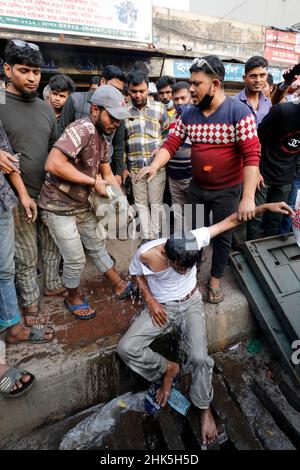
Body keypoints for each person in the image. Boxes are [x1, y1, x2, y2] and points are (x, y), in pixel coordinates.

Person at [117, 200, 293, 445]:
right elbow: (136, 274)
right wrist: (150, 300)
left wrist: (264, 208)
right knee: (126, 348)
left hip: (191, 305)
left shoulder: (193, 240)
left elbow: (231, 221)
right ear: (167, 256)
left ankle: (203, 407)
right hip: (163, 308)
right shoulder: (146, 254)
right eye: (181, 269)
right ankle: (167, 369)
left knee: (200, 358)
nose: (184, 272)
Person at [136, 56, 260, 303]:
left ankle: (214, 279)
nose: (191, 89)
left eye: (197, 83)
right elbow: (171, 143)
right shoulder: (189, 114)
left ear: (215, 84)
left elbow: (252, 156)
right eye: (190, 83)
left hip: (227, 191)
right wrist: (154, 165)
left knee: (223, 237)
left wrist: (248, 198)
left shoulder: (239, 112)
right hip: (197, 188)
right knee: (193, 234)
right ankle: (191, 274)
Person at [38, 85, 137, 319]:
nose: (116, 123)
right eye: (112, 117)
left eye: (119, 119)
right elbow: (52, 164)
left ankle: (117, 283)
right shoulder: (82, 128)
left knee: (96, 244)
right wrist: (93, 183)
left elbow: (108, 173)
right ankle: (72, 297)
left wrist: (121, 203)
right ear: (95, 109)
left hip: (81, 204)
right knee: (75, 258)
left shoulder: (104, 138)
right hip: (58, 205)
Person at [0, 39, 64, 327]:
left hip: (48, 193)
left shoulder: (44, 108)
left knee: (51, 246)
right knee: (26, 255)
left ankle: (51, 284)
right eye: (24, 70)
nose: (31, 77)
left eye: (36, 72)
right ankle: (29, 304)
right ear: (7, 69)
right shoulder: (0, 101)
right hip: (15, 196)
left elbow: (55, 148)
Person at [0, 126, 54, 398]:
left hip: (1, 201)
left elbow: (7, 157)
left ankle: (14, 328)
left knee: (5, 271)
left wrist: (22, 194)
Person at [58, 65, 127, 186]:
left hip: (103, 170)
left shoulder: (118, 111)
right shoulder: (76, 100)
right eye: (114, 88)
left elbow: (118, 146)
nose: (116, 94)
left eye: (120, 91)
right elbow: (60, 135)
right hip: (72, 171)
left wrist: (117, 173)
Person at [123, 69, 169, 240]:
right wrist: (124, 167)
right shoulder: (124, 113)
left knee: (155, 204)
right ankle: (147, 238)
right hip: (135, 168)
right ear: (128, 90)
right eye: (134, 91)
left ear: (148, 89)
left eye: (141, 91)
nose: (137, 95)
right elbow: (122, 142)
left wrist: (162, 149)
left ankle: (155, 237)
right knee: (141, 204)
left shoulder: (159, 109)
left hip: (156, 168)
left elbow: (167, 134)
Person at [247, 100, 300, 239]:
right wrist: (256, 169)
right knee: (255, 216)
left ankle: (266, 249)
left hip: (286, 177)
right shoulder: (283, 111)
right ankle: (251, 249)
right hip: (263, 173)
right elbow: (257, 138)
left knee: (275, 218)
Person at [166, 81, 192, 229]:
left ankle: (195, 249)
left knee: (195, 214)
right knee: (178, 215)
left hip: (191, 176)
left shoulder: (197, 116)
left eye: (183, 98)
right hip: (174, 176)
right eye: (176, 99)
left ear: (191, 97)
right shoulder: (173, 118)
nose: (179, 102)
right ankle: (179, 248)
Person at [234, 56, 271, 125]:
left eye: (262, 75)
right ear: (244, 78)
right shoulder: (233, 102)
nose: (258, 80)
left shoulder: (268, 103)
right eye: (253, 76)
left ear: (267, 76)